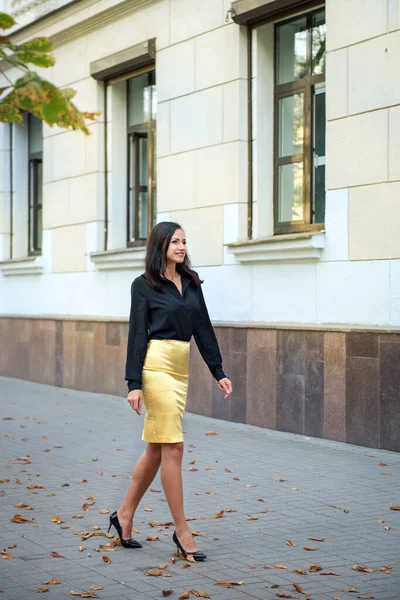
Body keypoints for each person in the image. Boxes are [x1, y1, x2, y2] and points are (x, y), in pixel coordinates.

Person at [108, 221, 232, 561]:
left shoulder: (190, 283)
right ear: (160, 245)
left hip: (181, 369)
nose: (181, 246)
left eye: (184, 241)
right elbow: (137, 335)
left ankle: (123, 516)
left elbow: (202, 326)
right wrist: (134, 384)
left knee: (155, 450)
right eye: (175, 241)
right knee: (173, 447)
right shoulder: (144, 285)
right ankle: (182, 531)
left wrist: (217, 370)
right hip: (157, 367)